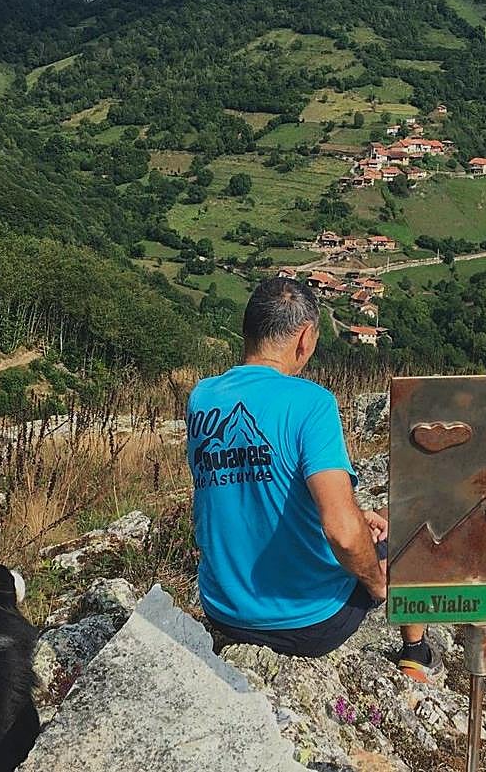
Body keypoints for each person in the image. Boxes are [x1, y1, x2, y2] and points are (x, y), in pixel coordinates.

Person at [185, 277, 438, 681]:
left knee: (364, 524)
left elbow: (261, 486)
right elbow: (339, 530)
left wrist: (357, 514)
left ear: (247, 330)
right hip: (308, 624)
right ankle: (416, 653)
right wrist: (376, 584)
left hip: (225, 612)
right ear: (304, 339)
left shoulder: (202, 397)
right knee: (413, 520)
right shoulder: (311, 403)